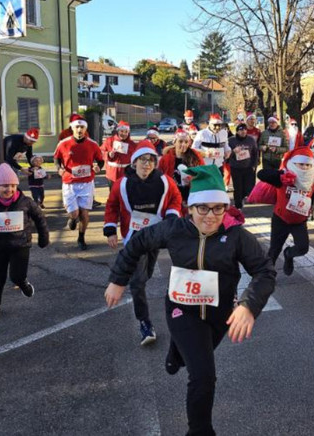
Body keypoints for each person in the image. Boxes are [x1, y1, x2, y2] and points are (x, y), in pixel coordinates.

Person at [104, 165, 276, 436]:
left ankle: (177, 351)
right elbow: (137, 243)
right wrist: (118, 279)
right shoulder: (175, 229)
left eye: (218, 208)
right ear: (190, 208)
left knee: (196, 357)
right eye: (203, 208)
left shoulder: (236, 236)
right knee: (203, 377)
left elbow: (265, 271)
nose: (210, 216)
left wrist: (248, 306)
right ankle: (200, 431)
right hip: (182, 309)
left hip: (220, 315)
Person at [103, 142, 182, 345]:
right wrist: (110, 229)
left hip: (156, 236)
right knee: (137, 282)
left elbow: (175, 198)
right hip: (134, 238)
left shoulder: (165, 182)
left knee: (145, 276)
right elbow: (111, 205)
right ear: (134, 162)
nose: (147, 165)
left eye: (151, 161)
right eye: (143, 160)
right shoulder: (122, 184)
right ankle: (145, 323)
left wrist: (172, 216)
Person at [0, 164, 49, 321]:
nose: (9, 189)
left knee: (16, 276)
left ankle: (23, 283)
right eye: (5, 186)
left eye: (13, 186)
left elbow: (39, 218)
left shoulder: (26, 202)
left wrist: (43, 237)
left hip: (20, 245)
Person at [258, 147, 314, 276]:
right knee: (274, 251)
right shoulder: (284, 176)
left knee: (303, 248)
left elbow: (312, 196)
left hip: (299, 221)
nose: (304, 167)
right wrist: (280, 175)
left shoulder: (313, 180)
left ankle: (288, 254)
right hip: (281, 218)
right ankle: (267, 276)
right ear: (293, 163)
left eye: (308, 165)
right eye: (301, 164)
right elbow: (261, 174)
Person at [53, 113, 104, 250]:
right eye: (77, 127)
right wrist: (59, 169)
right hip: (69, 182)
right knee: (75, 213)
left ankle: (81, 238)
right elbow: (56, 158)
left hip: (86, 182)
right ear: (73, 128)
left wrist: (98, 166)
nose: (80, 130)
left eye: (82, 127)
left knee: (84, 213)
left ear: (85, 128)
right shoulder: (63, 144)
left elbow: (100, 160)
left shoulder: (92, 144)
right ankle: (72, 218)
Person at [158, 129, 205, 206]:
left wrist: (193, 179)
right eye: (180, 141)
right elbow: (159, 177)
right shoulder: (165, 159)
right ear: (175, 142)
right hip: (172, 196)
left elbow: (203, 175)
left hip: (191, 196)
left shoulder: (195, 157)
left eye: (186, 142)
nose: (183, 144)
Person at [227, 122, 259, 210]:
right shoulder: (231, 140)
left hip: (248, 166)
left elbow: (255, 153)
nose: (243, 132)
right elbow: (226, 154)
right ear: (237, 132)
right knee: (237, 187)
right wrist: (233, 152)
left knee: (247, 186)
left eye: (245, 130)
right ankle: (238, 205)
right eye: (241, 130)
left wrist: (254, 165)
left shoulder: (251, 140)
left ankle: (243, 198)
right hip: (236, 167)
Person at [100, 120, 136, 190]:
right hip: (112, 174)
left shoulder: (132, 144)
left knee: (125, 194)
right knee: (113, 194)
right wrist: (109, 154)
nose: (124, 134)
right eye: (122, 131)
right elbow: (100, 152)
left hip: (126, 173)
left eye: (126, 132)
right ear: (118, 131)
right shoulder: (109, 141)